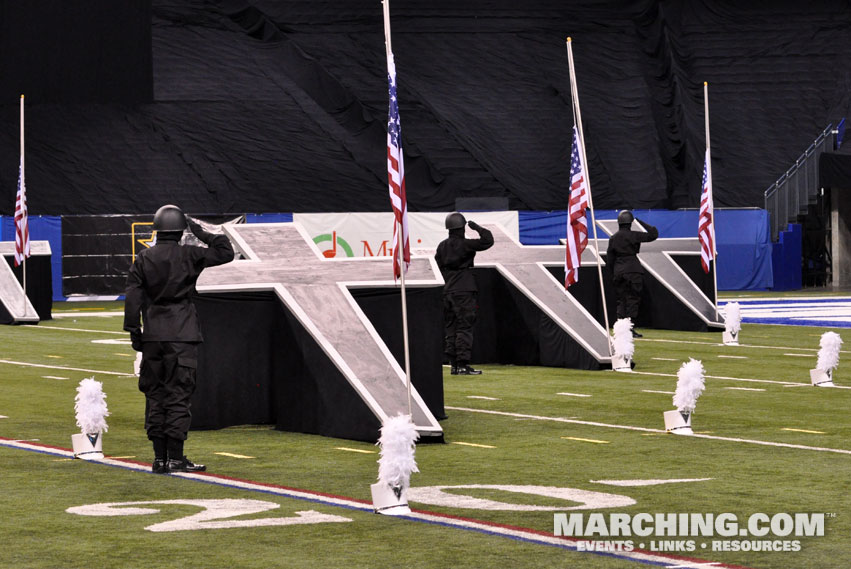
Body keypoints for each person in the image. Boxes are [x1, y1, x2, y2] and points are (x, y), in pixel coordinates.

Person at [124, 205, 234, 474]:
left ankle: (159, 459)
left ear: (156, 229)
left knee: (156, 396)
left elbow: (132, 299)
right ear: (180, 231)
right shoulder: (190, 254)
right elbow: (225, 252)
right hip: (182, 334)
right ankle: (176, 457)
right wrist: (201, 231)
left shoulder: (144, 258)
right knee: (178, 396)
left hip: (153, 335)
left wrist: (134, 332)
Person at [434, 212, 494, 375]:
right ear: (461, 227)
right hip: (464, 289)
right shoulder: (465, 244)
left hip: (447, 290)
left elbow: (436, 265)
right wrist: (477, 228)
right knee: (465, 327)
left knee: (451, 327)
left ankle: (454, 365)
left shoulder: (442, 246)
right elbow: (488, 240)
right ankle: (462, 364)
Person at [605, 210, 658, 338]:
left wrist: (613, 273)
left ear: (619, 223)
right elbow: (653, 234)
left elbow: (610, 259)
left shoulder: (613, 238)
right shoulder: (634, 235)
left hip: (619, 270)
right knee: (633, 300)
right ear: (630, 223)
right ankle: (629, 328)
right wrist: (640, 221)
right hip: (633, 270)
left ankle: (621, 329)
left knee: (621, 300)